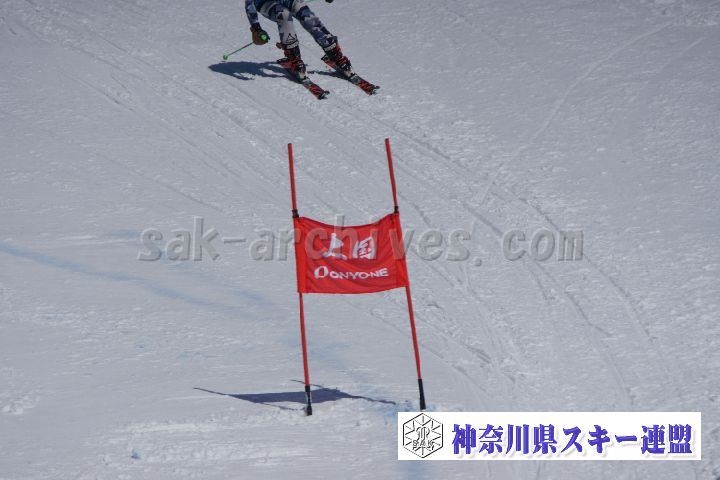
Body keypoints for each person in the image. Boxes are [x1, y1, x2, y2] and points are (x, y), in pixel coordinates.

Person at [244, 0, 352, 79]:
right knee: (283, 14)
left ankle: (335, 54)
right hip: (265, 2)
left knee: (306, 15)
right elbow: (249, 3)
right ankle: (294, 58)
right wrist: (256, 27)